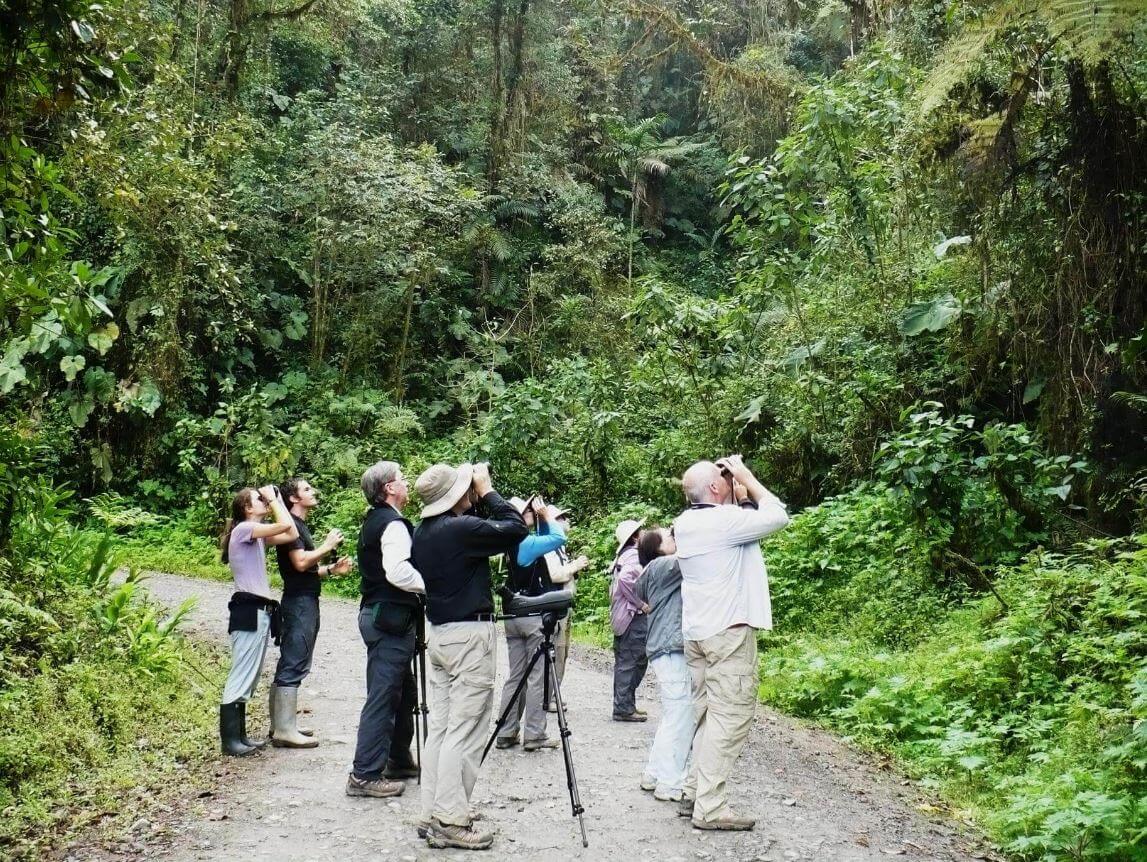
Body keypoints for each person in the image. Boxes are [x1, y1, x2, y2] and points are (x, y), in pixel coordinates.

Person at [412, 462, 528, 850]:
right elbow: (515, 528)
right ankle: (451, 819)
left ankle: (434, 810)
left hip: (441, 633)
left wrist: (472, 497)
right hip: (468, 638)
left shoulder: (424, 531)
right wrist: (490, 490)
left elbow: (481, 531)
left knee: (441, 729)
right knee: (467, 728)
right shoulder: (461, 530)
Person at [672, 455, 789, 831]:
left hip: (699, 634)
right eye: (721, 476)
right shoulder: (722, 522)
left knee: (708, 715)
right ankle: (710, 807)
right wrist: (748, 477)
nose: (728, 478)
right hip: (728, 635)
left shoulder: (687, 522)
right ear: (713, 488)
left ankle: (693, 792)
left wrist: (737, 496)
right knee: (731, 717)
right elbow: (778, 515)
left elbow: (740, 532)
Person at [346, 461, 425, 799]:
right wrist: (431, 585)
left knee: (402, 691)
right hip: (389, 618)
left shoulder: (375, 520)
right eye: (402, 479)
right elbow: (397, 572)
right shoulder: (392, 524)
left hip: (381, 615)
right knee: (383, 695)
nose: (406, 484)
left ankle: (397, 758)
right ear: (389, 488)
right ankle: (364, 773)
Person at [271, 477, 352, 749]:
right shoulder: (292, 526)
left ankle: (282, 724)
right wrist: (327, 546)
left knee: (294, 658)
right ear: (293, 498)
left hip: (303, 598)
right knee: (295, 659)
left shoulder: (298, 526)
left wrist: (330, 570)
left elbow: (304, 569)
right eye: (306, 489)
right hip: (298, 603)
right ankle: (284, 729)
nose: (312, 492)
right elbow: (300, 561)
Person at [218, 485, 298, 757]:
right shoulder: (243, 529)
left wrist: (274, 501)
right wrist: (275, 499)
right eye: (258, 499)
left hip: (259, 609)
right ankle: (230, 741)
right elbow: (285, 523)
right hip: (248, 609)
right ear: (247, 509)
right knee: (241, 672)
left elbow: (291, 531)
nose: (263, 501)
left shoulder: (257, 536)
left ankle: (239, 736)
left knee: (250, 674)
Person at [494, 495, 568, 752]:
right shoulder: (525, 542)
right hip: (532, 617)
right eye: (526, 511)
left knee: (515, 676)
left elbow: (545, 539)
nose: (530, 513)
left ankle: (506, 731)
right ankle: (534, 733)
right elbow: (559, 538)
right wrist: (546, 515)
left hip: (514, 618)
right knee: (537, 677)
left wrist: (539, 519)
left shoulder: (511, 542)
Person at [634, 527, 691, 802]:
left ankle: (655, 772)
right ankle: (671, 782)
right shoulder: (663, 567)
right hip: (670, 647)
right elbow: (696, 553)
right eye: (668, 536)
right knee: (681, 714)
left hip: (664, 647)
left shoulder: (653, 570)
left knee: (673, 714)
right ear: (658, 550)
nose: (674, 537)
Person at [542, 504, 590, 712]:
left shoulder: (559, 548)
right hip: (555, 609)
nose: (565, 521)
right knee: (556, 652)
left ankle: (554, 694)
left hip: (564, 606)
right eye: (560, 518)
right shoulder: (549, 548)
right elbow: (555, 575)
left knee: (563, 652)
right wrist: (576, 566)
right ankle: (548, 697)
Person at [610, 518, 648, 722]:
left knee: (628, 661)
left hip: (622, 617)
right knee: (631, 661)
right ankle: (623, 707)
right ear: (635, 536)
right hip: (632, 617)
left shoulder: (623, 555)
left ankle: (626, 704)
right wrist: (641, 603)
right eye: (640, 532)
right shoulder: (634, 555)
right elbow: (626, 579)